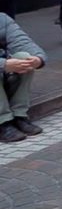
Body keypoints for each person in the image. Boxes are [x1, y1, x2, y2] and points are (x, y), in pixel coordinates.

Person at [0, 14, 45, 142]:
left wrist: (37, 59)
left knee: (24, 57)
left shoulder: (2, 19)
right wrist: (4, 65)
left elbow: (22, 42)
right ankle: (3, 122)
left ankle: (18, 115)